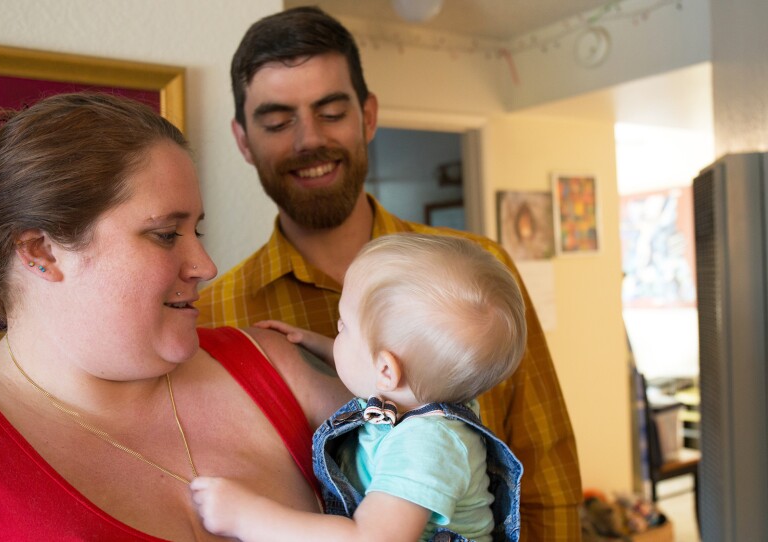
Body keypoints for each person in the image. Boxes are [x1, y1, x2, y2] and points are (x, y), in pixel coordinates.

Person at [0, 92, 350, 540]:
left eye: (197, 229)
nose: (206, 266)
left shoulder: (272, 363)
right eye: (167, 234)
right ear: (41, 251)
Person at [197, 6, 583, 540]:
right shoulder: (213, 314)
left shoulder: (481, 280)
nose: (308, 139)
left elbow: (547, 478)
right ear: (243, 139)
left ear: (368, 116)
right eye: (278, 120)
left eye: (331, 112)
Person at [192, 233, 526, 542]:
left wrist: (247, 517)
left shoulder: (427, 445)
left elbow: (368, 538)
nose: (336, 330)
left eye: (344, 327)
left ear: (385, 370)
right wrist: (316, 343)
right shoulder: (423, 391)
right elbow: (375, 373)